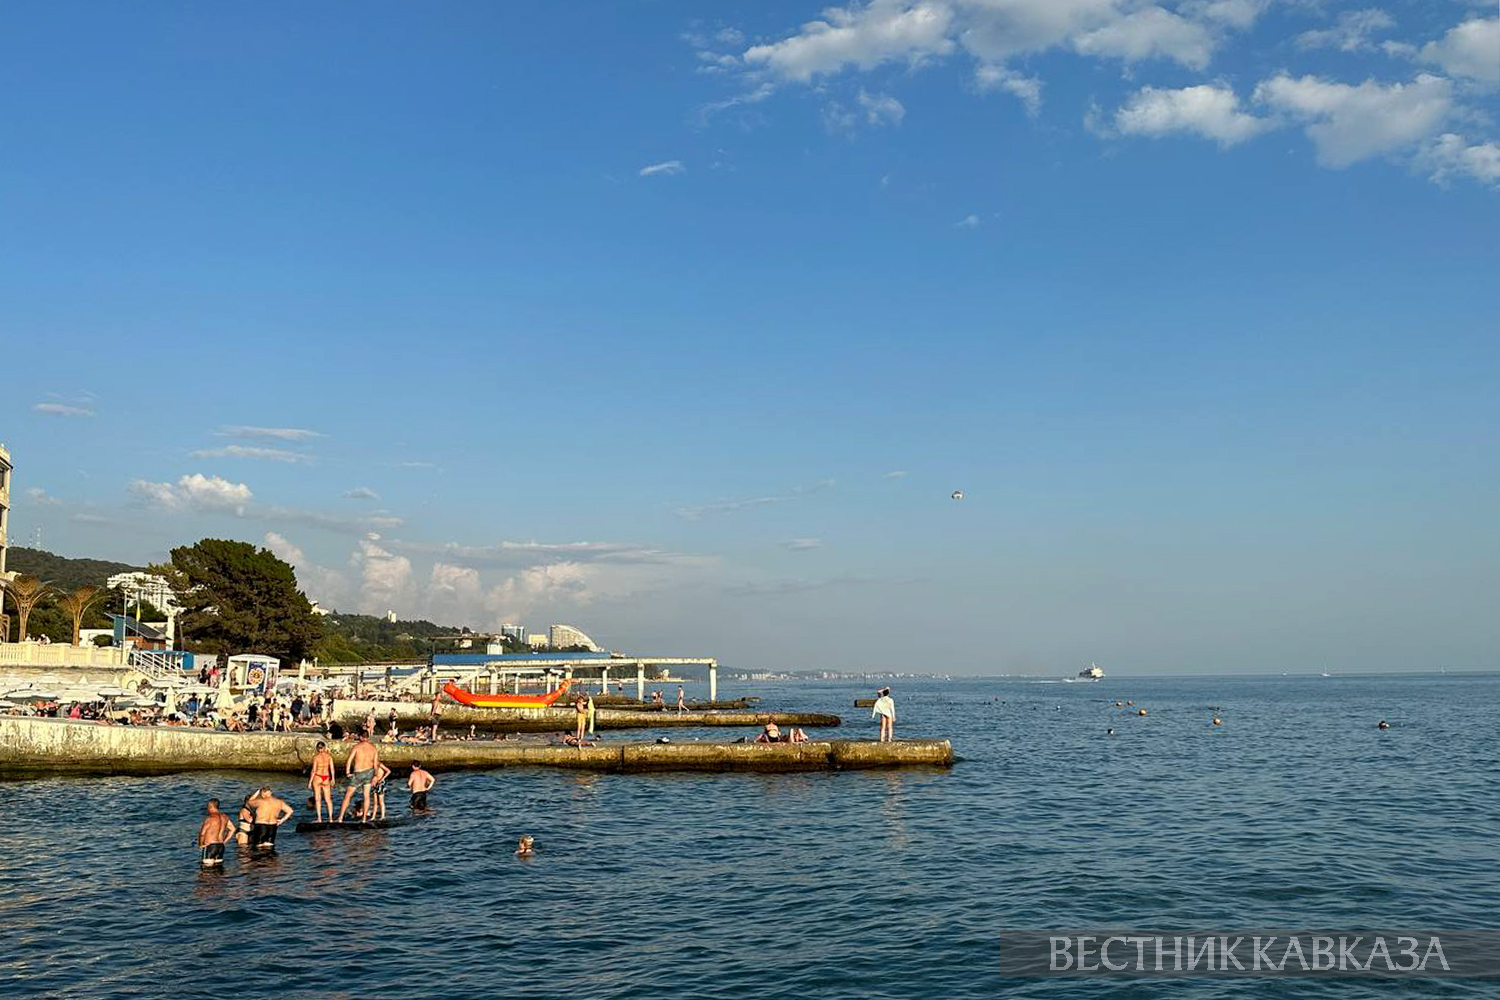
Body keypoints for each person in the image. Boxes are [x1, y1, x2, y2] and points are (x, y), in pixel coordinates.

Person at [336, 730, 381, 823]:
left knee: (348, 795)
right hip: (369, 772)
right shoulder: (373, 749)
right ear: (368, 737)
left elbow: (349, 760)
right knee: (366, 796)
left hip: (358, 773)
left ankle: (340, 818)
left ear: (360, 737)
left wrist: (347, 772)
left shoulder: (357, 747)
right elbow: (376, 764)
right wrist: (376, 776)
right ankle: (364, 819)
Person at [197, 799, 235, 867]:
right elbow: (233, 829)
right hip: (220, 846)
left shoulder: (209, 818)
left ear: (210, 806)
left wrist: (200, 844)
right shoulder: (224, 817)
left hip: (210, 846)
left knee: (206, 871)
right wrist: (225, 841)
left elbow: (202, 834)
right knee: (219, 869)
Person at [308, 740, 336, 823]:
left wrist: (310, 781)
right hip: (326, 777)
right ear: (324, 748)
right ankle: (331, 819)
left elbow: (313, 770)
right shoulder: (329, 757)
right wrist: (333, 779)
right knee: (328, 799)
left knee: (318, 799)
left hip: (318, 777)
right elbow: (332, 769)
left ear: (317, 748)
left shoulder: (316, 758)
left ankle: (319, 819)